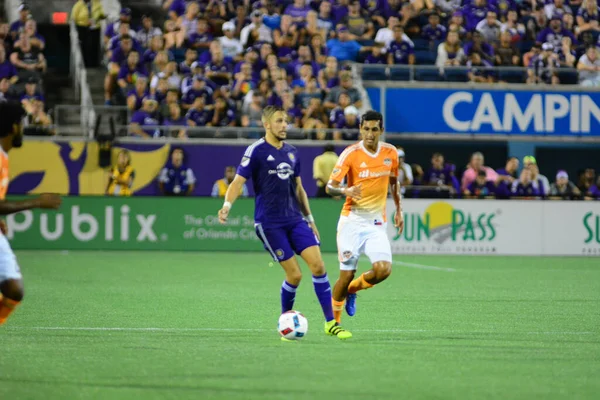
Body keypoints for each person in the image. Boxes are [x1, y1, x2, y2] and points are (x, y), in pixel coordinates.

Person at [217, 106, 351, 340]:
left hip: (295, 220)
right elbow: (238, 182)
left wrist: (310, 219)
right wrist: (227, 206)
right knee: (295, 276)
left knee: (319, 266)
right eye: (279, 121)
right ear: (266, 124)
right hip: (269, 224)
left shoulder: (292, 152)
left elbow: (299, 189)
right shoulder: (256, 150)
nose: (284, 125)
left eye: (286, 121)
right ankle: (285, 321)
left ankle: (331, 323)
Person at [326, 110, 404, 325]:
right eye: (366, 129)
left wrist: (399, 210)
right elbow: (329, 187)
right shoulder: (350, 154)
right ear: (360, 129)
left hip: (376, 224)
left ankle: (353, 290)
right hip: (351, 221)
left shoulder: (391, 153)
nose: (370, 134)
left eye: (374, 130)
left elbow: (394, 183)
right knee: (345, 276)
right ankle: (334, 323)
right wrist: (345, 191)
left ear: (381, 131)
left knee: (383, 270)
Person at [0, 101, 62, 326]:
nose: (23, 130)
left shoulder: (4, 157)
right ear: (13, 127)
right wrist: (37, 201)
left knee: (14, 290)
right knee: (13, 289)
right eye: (22, 124)